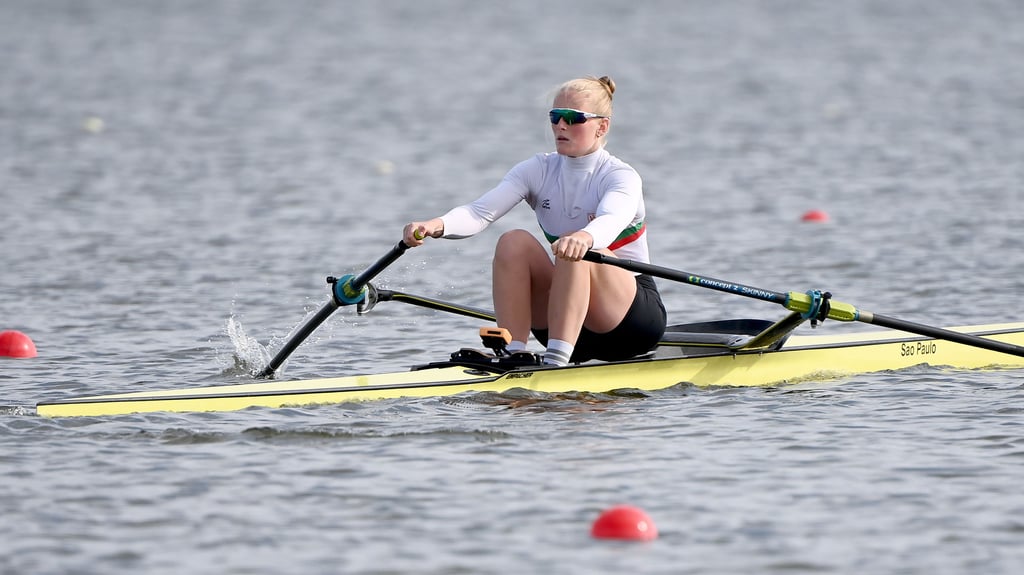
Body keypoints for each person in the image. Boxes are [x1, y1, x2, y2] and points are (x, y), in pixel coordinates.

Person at [403, 75, 666, 366]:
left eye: (573, 118)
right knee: (513, 241)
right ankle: (514, 350)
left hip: (629, 323)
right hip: (564, 317)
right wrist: (434, 226)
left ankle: (555, 361)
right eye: (555, 117)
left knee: (582, 251)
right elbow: (479, 213)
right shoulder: (538, 169)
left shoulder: (620, 176)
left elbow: (611, 219)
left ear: (602, 126)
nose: (561, 126)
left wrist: (585, 237)